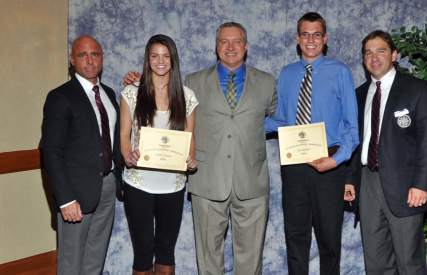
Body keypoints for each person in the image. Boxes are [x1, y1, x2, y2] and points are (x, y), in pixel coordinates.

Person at [123, 22, 276, 275]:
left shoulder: (267, 82)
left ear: (246, 46)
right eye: (223, 42)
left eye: (236, 41)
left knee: (251, 260)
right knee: (208, 259)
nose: (230, 47)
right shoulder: (192, 83)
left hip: (251, 181)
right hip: (207, 181)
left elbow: (274, 118)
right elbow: (162, 91)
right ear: (216, 47)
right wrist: (138, 81)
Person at [266, 12, 359, 275]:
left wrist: (336, 160)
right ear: (297, 39)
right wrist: (249, 122)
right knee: (295, 236)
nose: (310, 40)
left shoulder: (340, 72)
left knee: (329, 238)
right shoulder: (287, 74)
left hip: (329, 164)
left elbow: (352, 128)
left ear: (325, 38)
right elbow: (282, 120)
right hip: (294, 163)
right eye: (305, 34)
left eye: (316, 34)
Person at [348, 30, 427, 275]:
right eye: (368, 52)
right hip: (368, 183)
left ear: (394, 55)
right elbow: (355, 143)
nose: (374, 57)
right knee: (376, 260)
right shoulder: (358, 95)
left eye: (381, 51)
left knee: (408, 261)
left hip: (405, 186)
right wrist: (350, 180)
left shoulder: (417, 90)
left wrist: (422, 184)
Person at [41, 35, 122, 275]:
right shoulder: (60, 97)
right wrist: (65, 199)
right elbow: (51, 151)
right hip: (75, 193)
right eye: (82, 55)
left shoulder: (108, 93)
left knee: (96, 255)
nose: (89, 61)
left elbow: (112, 139)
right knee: (71, 261)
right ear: (72, 60)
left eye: (94, 54)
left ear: (102, 58)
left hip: (107, 186)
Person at [120, 34, 198, 275]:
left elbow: (190, 137)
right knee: (142, 253)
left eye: (165, 56)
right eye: (155, 56)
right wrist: (127, 155)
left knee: (166, 251)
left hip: (172, 186)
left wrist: (190, 158)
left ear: (173, 60)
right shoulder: (132, 93)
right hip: (138, 183)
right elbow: (123, 135)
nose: (160, 61)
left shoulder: (187, 96)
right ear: (148, 59)